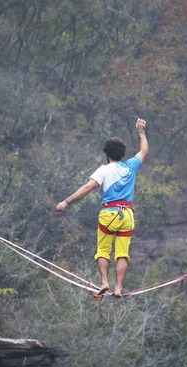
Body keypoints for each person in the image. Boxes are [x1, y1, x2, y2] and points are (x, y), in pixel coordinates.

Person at [55, 118, 148, 297]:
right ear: (122, 154)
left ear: (107, 154)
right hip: (127, 214)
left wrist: (66, 201)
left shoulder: (104, 170)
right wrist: (141, 131)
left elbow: (87, 188)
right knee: (122, 254)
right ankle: (119, 288)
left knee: (103, 251)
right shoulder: (131, 166)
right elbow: (144, 151)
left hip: (109, 214)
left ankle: (105, 282)